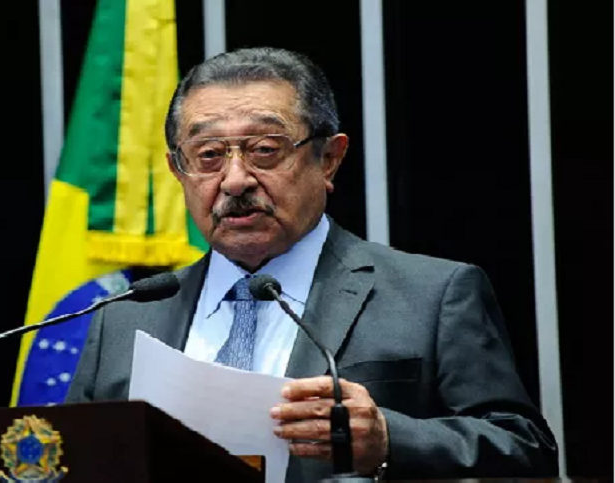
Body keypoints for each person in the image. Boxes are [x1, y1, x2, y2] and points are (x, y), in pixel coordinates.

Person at [65, 47, 558, 482]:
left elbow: (525, 449)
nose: (235, 180)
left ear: (329, 159)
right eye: (209, 155)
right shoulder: (123, 317)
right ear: (178, 170)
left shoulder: (432, 294)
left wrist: (390, 440)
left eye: (264, 150)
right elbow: (73, 461)